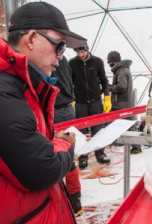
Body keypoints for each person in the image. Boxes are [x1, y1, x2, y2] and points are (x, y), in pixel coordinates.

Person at [0, 2, 86, 224]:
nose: (61, 56)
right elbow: (42, 168)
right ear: (30, 39)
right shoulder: (5, 90)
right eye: (59, 46)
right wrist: (65, 143)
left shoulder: (22, 84)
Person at [69, 44, 112, 169]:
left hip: (95, 100)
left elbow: (104, 80)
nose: (81, 55)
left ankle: (100, 153)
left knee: (98, 128)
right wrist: (72, 99)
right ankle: (83, 156)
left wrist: (107, 97)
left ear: (87, 50)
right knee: (82, 130)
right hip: (80, 101)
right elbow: (70, 82)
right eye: (78, 52)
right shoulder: (72, 63)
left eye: (82, 52)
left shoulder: (97, 62)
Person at [52, 56, 82, 216]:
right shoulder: (64, 60)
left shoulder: (45, 59)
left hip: (55, 110)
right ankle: (76, 203)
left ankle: (63, 204)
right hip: (68, 109)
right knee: (69, 156)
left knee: (55, 155)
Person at [107, 51, 141, 154]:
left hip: (122, 103)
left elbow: (121, 87)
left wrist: (109, 88)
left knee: (127, 124)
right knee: (126, 124)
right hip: (124, 102)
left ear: (114, 61)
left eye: (110, 62)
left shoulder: (121, 71)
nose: (109, 64)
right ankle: (134, 146)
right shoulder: (123, 69)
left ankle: (136, 146)